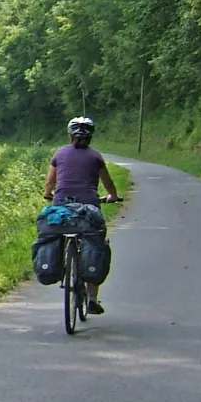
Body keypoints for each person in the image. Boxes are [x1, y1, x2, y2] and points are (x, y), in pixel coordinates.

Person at [43, 116, 119, 315]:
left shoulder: (60, 153)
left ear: (70, 135)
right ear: (90, 137)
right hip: (88, 209)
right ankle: (92, 299)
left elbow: (50, 182)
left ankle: (60, 264)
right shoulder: (95, 157)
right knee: (95, 244)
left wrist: (48, 194)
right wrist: (112, 196)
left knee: (57, 233)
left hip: (62, 207)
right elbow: (108, 183)